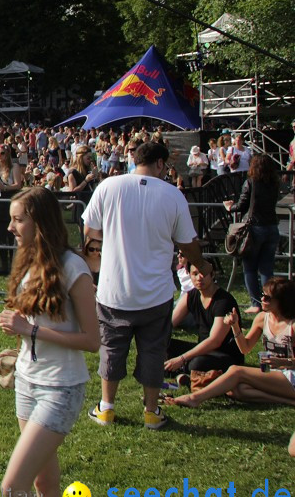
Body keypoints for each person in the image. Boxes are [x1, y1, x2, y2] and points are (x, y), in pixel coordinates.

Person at [82, 141, 210, 430]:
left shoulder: (108, 187)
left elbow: (90, 234)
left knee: (112, 348)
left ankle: (107, 408)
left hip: (114, 289)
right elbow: (187, 243)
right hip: (155, 293)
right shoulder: (172, 195)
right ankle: (151, 412)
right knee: (153, 350)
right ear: (161, 164)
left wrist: (93, 274)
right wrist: (201, 265)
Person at [0, 187, 100, 497]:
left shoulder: (74, 268)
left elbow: (92, 340)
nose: (10, 227)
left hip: (60, 388)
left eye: (18, 220)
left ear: (39, 223)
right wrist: (19, 345)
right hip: (27, 382)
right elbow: (34, 324)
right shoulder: (29, 261)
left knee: (13, 488)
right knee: (45, 481)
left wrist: (31, 331)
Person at [168, 277, 295, 408]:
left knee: (236, 371)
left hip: (291, 375)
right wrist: (235, 326)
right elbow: (245, 348)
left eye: (267, 298)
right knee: (235, 389)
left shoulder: (292, 325)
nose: (262, 299)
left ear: (281, 302)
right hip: (273, 374)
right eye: (262, 295)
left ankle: (194, 398)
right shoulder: (262, 318)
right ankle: (289, 401)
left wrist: (285, 362)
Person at [164, 261, 243, 386]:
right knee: (164, 344)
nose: (199, 277)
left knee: (196, 363)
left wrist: (182, 358)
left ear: (212, 275)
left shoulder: (224, 301)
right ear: (189, 275)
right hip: (202, 349)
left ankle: (181, 372)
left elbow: (214, 341)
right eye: (195, 274)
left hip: (225, 355)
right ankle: (182, 374)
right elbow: (168, 325)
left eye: (204, 273)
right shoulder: (190, 296)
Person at [224, 154, 281, 314]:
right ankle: (269, 304)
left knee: (249, 268)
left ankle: (256, 304)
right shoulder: (274, 184)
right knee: (266, 270)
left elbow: (242, 205)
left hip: (254, 229)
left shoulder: (250, 182)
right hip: (272, 227)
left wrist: (230, 207)